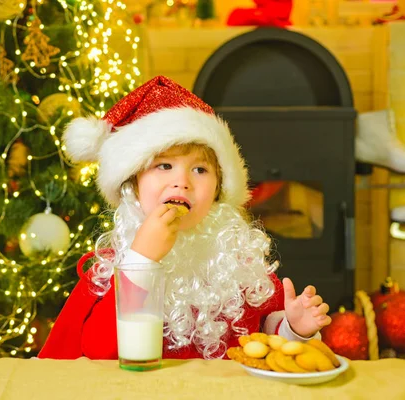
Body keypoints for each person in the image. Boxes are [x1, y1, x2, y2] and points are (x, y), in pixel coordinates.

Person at [38, 76, 331, 360]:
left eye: (200, 170)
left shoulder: (239, 264)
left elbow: (263, 338)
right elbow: (100, 352)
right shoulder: (110, 269)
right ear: (133, 185)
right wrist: (141, 260)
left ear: (218, 189)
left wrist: (294, 329)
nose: (182, 182)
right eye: (164, 166)